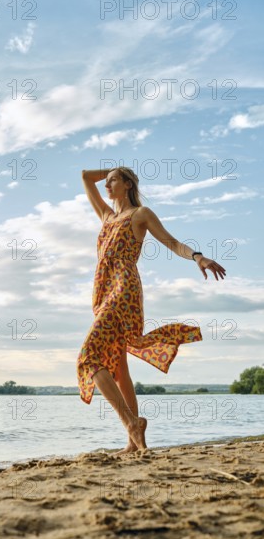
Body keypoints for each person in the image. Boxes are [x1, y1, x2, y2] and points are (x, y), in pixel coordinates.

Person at [76, 167, 226, 455]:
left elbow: (172, 243)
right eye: (106, 182)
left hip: (123, 292)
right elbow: (85, 176)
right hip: (103, 294)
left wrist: (198, 257)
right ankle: (133, 443)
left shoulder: (140, 215)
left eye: (114, 181)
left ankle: (132, 424)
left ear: (129, 184)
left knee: (88, 357)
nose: (107, 184)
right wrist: (113, 169)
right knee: (118, 368)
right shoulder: (107, 217)